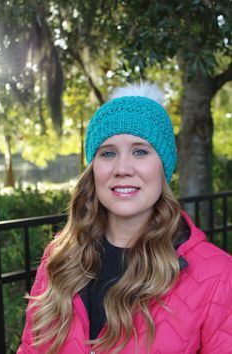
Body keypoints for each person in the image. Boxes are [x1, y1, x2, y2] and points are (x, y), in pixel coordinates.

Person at [17, 82, 232, 354]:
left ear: (163, 166)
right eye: (108, 153)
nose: (122, 168)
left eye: (140, 151)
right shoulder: (60, 257)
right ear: (93, 169)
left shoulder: (218, 275)